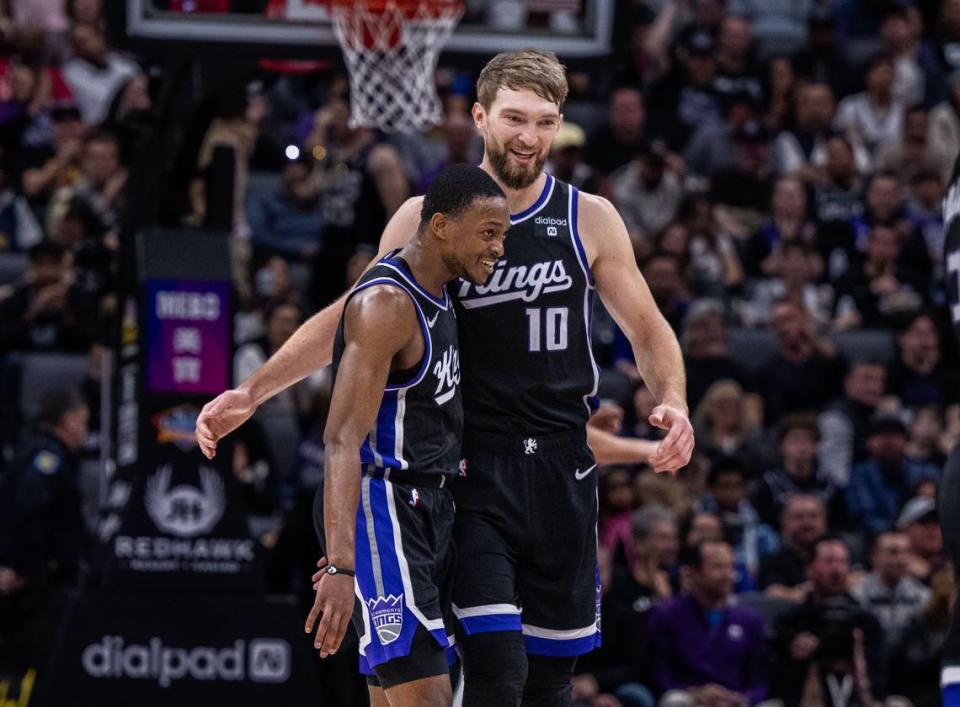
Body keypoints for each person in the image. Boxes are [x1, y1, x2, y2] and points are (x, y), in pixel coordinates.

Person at [197, 49, 694, 707]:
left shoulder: (588, 217)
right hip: (469, 472)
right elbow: (354, 315)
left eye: (545, 121)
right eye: (515, 117)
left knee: (549, 683)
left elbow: (650, 327)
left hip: (563, 473)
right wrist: (256, 389)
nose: (529, 136)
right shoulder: (425, 218)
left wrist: (674, 400)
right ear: (480, 116)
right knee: (494, 671)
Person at [301, 165, 510, 706]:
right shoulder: (387, 305)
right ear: (440, 226)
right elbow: (342, 439)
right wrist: (344, 564)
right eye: (488, 233)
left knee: (397, 695)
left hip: (426, 506)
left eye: (502, 235)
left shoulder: (439, 295)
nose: (498, 249)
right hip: (383, 506)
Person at [0, 388, 89, 661]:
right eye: (84, 422)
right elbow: (26, 511)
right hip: (32, 588)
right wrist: (19, 568)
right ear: (69, 420)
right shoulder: (46, 459)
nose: (86, 431)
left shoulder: (38, 451)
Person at [648, 540, 768, 707]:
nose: (728, 575)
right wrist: (695, 693)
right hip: (688, 698)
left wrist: (741, 698)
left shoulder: (750, 620)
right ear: (693, 572)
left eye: (730, 567)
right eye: (718, 567)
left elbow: (759, 682)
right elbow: (658, 676)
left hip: (735, 700)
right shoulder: (666, 614)